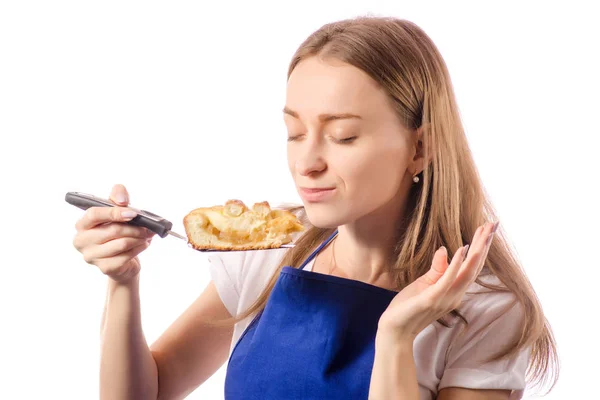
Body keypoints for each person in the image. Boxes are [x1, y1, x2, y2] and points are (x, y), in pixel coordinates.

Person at [72, 16, 559, 400]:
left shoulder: (487, 310)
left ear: (420, 148)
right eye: (295, 132)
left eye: (343, 135)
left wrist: (394, 338)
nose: (306, 163)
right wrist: (122, 282)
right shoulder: (266, 252)